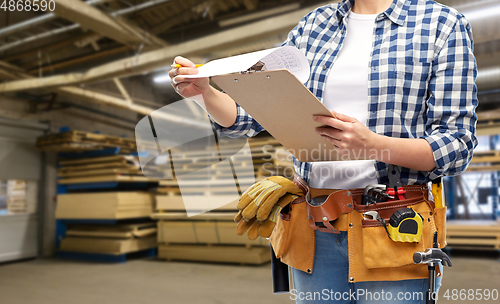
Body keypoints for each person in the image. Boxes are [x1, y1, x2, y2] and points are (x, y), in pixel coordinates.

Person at [169, 0, 477, 302]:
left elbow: (456, 145)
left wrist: (373, 145)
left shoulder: (441, 24)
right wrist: (206, 94)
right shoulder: (313, 26)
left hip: (392, 228)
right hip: (316, 227)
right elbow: (251, 117)